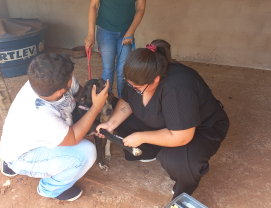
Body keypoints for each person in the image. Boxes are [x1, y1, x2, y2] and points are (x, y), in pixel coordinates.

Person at [96, 39, 230, 200]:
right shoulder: (136, 77)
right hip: (168, 120)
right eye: (129, 84)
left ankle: (186, 182)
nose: (132, 88)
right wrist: (110, 124)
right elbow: (127, 100)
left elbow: (182, 136)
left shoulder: (177, 88)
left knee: (178, 160)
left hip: (202, 127)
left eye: (137, 88)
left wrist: (142, 137)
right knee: (124, 124)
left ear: (156, 79)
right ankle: (153, 150)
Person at [0, 53, 109, 201]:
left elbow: (79, 95)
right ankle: (50, 189)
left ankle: (7, 159)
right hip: (22, 155)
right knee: (87, 152)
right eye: (71, 77)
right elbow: (74, 137)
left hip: (20, 138)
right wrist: (96, 108)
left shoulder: (46, 81)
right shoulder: (41, 115)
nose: (73, 78)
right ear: (59, 91)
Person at [85, 0, 146, 98]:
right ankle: (105, 102)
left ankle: (122, 101)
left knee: (123, 71)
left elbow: (141, 8)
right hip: (105, 31)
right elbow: (93, 5)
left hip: (126, 31)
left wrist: (130, 32)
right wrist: (91, 35)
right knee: (108, 69)